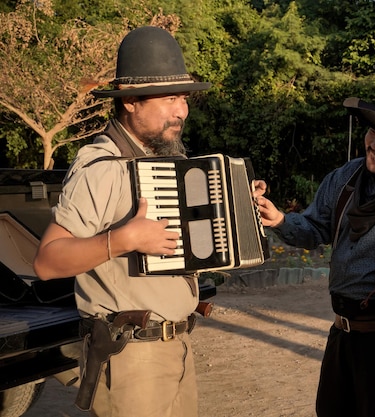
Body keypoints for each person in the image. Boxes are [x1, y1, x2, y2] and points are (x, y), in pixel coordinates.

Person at [33, 26, 211, 417]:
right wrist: (124, 239)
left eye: (183, 98)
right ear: (130, 102)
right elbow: (47, 262)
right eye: (169, 99)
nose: (181, 110)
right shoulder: (100, 168)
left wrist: (241, 210)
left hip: (176, 348)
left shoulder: (160, 160)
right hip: (131, 358)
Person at [254, 81, 375, 417]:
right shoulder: (345, 177)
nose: (374, 145)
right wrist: (280, 220)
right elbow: (315, 229)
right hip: (341, 336)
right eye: (373, 133)